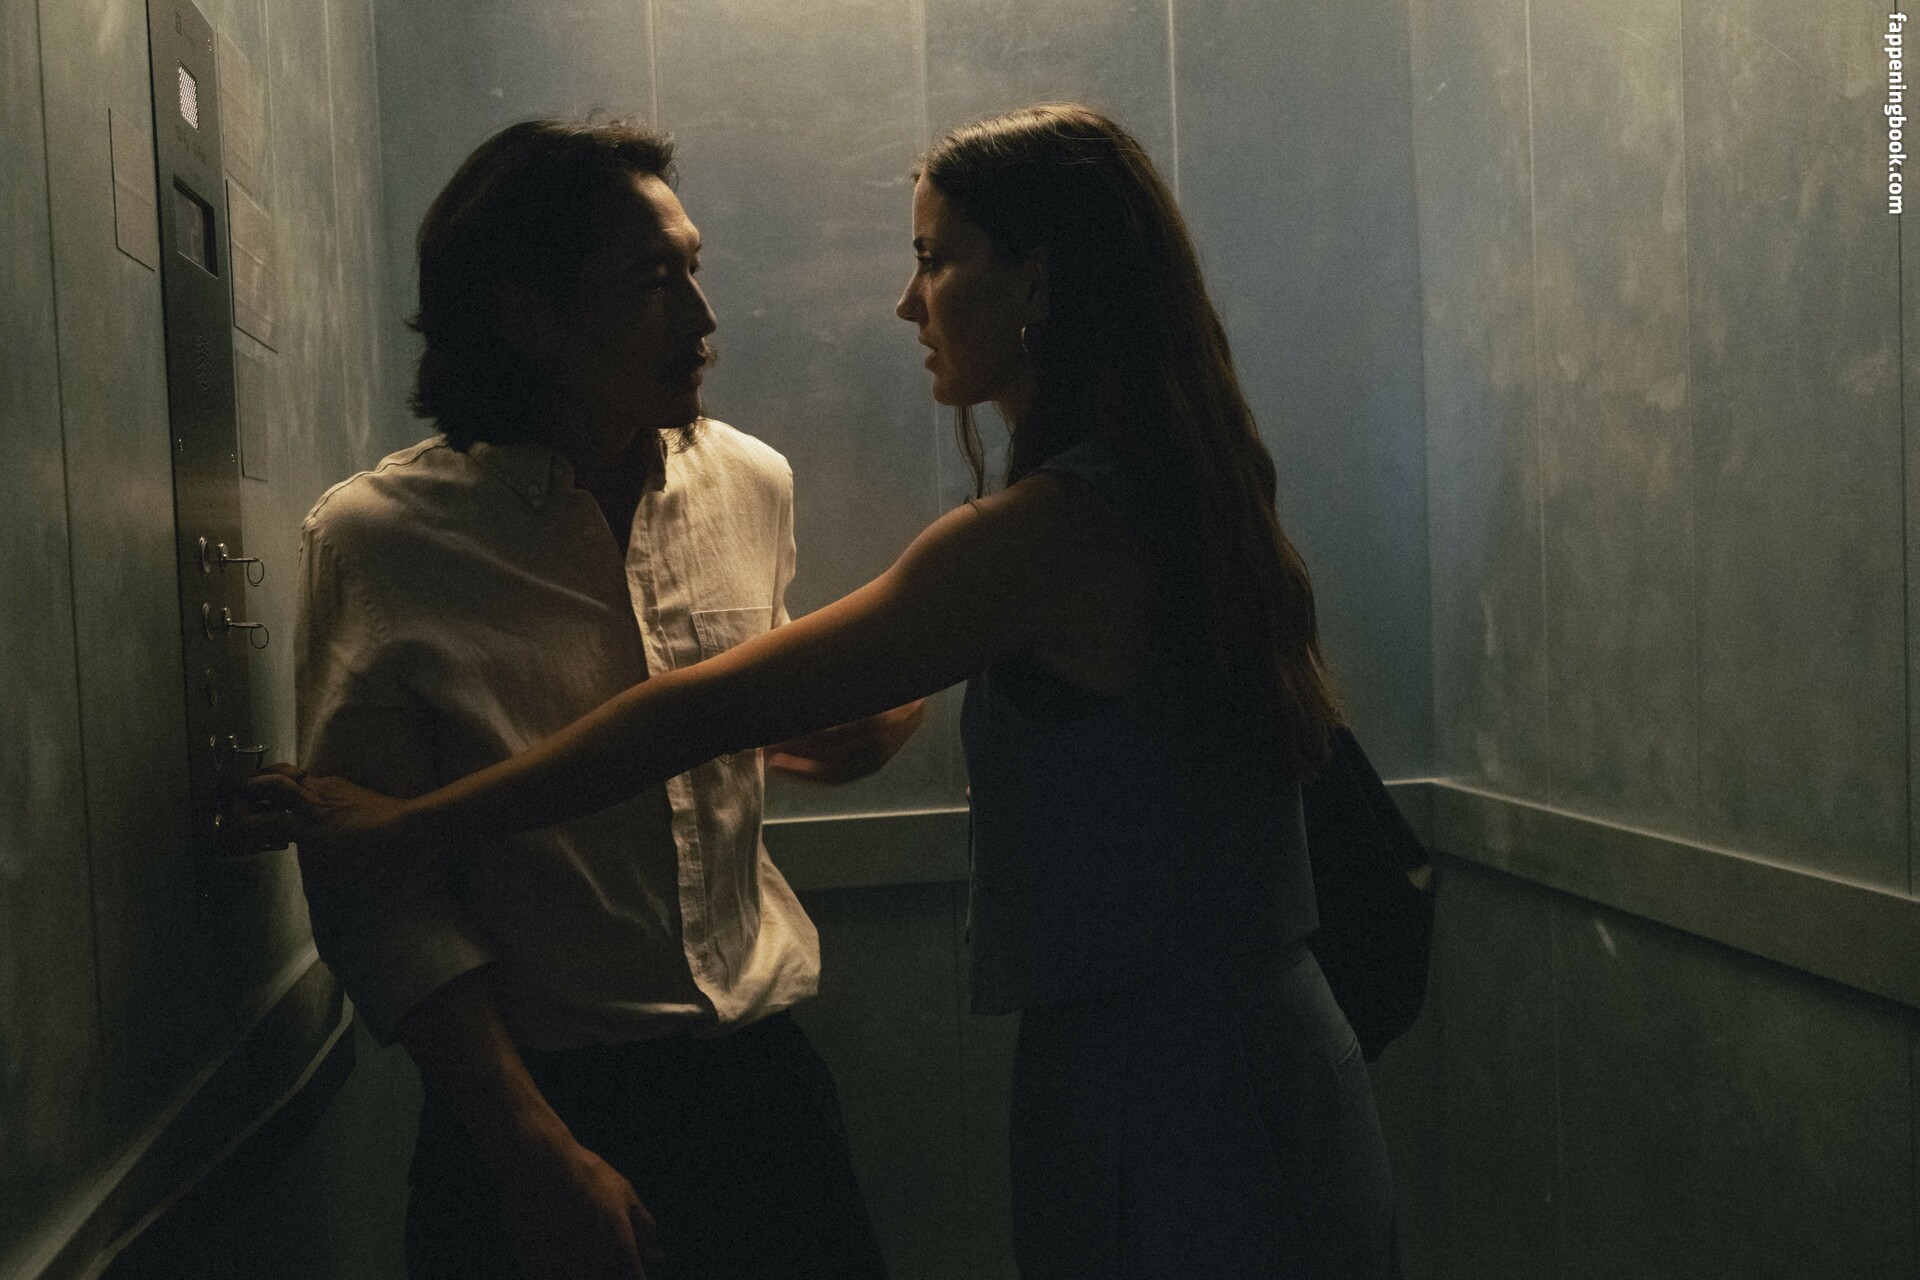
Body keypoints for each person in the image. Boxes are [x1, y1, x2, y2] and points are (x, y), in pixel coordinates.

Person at [251, 104, 1400, 1278]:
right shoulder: (1161, 483)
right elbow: (832, 689)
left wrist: (408, 824)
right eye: (656, 278)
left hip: (1152, 1082)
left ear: (1038, 284)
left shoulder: (1022, 526)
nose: (908, 301)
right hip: (1220, 1052)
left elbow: (704, 708)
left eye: (932, 258)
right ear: (526, 315)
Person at [276, 118, 913, 1280]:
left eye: (695, 267)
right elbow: (380, 889)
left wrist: (841, 723)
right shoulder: (379, 541)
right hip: (531, 1109)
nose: (704, 317)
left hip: (765, 1095)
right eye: (654, 280)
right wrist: (528, 1144)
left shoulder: (752, 483)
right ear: (529, 318)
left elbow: (729, 723)